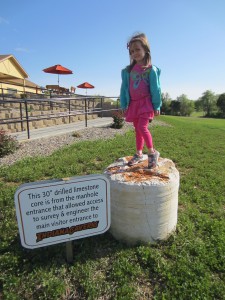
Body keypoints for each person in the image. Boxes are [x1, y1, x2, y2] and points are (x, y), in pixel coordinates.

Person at [120, 33, 162, 169]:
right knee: (137, 130)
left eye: (137, 49)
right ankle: (138, 153)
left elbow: (156, 89)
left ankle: (152, 153)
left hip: (146, 103)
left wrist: (157, 105)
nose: (134, 53)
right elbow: (124, 88)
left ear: (145, 49)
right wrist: (124, 104)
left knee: (142, 127)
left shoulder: (151, 70)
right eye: (132, 51)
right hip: (134, 104)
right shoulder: (128, 71)